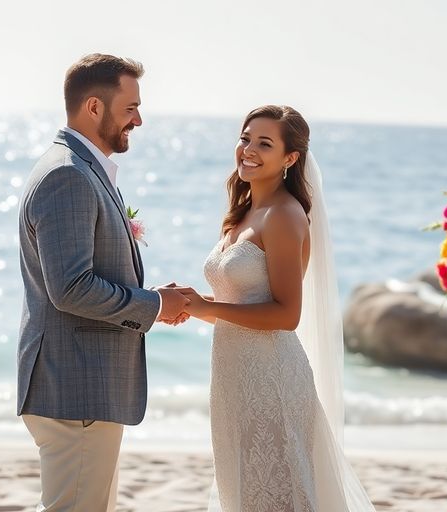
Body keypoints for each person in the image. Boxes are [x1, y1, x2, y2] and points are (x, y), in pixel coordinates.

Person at [16, 53, 190, 512]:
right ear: (94, 107)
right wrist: (154, 305)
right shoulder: (68, 177)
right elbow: (71, 287)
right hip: (77, 388)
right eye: (130, 108)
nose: (139, 119)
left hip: (82, 387)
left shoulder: (81, 169)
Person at [181, 105, 376, 511]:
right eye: (245, 138)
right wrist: (192, 304)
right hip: (233, 379)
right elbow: (244, 301)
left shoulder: (285, 216)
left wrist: (208, 308)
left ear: (290, 159)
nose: (248, 149)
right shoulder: (243, 211)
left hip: (271, 381)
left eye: (264, 143)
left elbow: (287, 315)